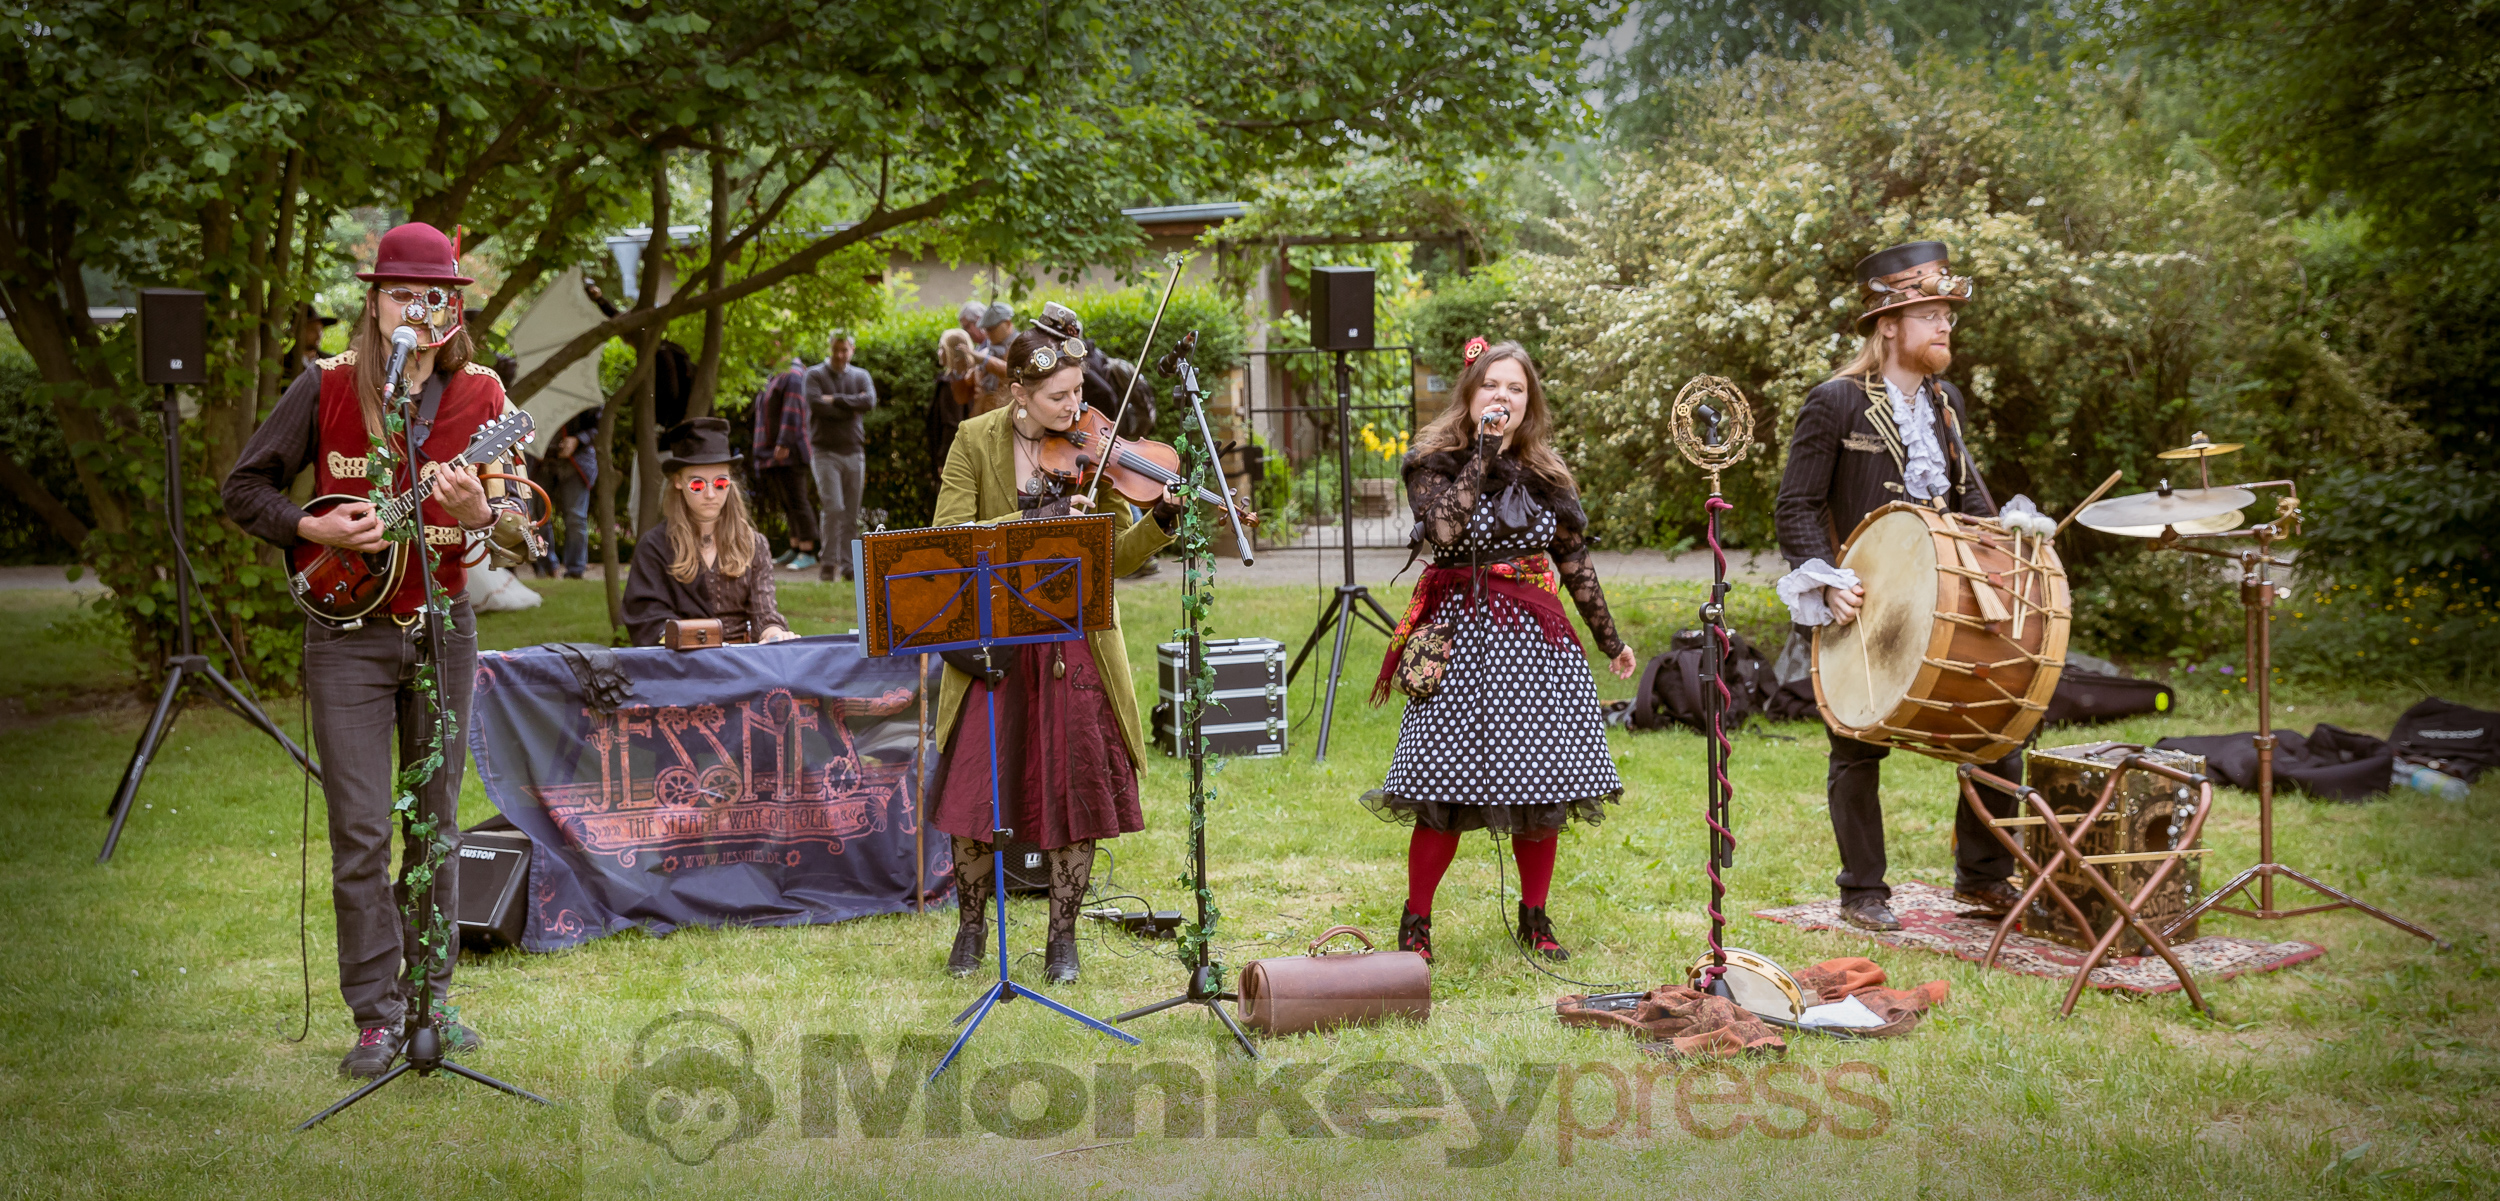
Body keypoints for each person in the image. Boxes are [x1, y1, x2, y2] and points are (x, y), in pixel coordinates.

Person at [221, 221, 531, 1078]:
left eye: (434, 296)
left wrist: (480, 517)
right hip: (345, 637)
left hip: (443, 631)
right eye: (400, 293)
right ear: (373, 304)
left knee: (434, 826)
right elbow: (242, 488)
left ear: (454, 308)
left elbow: (517, 537)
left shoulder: (483, 396)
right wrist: (308, 523)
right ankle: (374, 1015)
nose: (417, 309)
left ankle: (432, 1002)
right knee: (361, 829)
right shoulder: (322, 387)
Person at [1771, 240, 2021, 932]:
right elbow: (1794, 505)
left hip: (1944, 601)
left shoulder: (1947, 404)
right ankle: (1863, 892)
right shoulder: (1836, 403)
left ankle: (1983, 876)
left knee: (1997, 723)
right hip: (1861, 599)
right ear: (1889, 325)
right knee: (1857, 744)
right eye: (1931, 313)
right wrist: (1826, 582)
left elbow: (1968, 501)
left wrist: (2009, 534)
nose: (1946, 326)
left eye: (1948, 314)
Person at [1363, 338, 1636, 964]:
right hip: (1459, 637)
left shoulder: (1547, 475)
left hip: (1536, 642)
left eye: (1516, 389)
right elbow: (1445, 531)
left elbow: (1574, 560)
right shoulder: (1432, 461)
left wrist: (1610, 640)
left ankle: (1535, 918)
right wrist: (1482, 453)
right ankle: (1416, 923)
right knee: (1442, 788)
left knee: (1542, 791)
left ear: (1528, 402)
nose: (1503, 397)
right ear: (1470, 393)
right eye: (1492, 386)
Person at [929, 329, 1183, 984]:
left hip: (1075, 638)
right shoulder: (975, 440)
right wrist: (1035, 524)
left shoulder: (1091, 452)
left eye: (1078, 393)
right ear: (1018, 392)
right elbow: (949, 537)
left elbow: (1116, 559)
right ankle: (972, 924)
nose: (1075, 410)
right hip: (996, 638)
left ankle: (1061, 937)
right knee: (975, 787)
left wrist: (1159, 524)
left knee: (1077, 785)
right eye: (1057, 397)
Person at [622, 418, 797, 647]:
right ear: (678, 482)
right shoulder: (655, 546)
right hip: (683, 664)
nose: (711, 494)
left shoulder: (754, 543)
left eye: (720, 483)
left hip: (743, 661)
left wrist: (774, 633)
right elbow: (648, 620)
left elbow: (765, 614)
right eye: (697, 484)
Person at [803, 329, 876, 582]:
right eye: (836, 349)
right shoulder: (814, 375)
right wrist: (850, 406)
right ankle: (828, 563)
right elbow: (816, 406)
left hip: (854, 452)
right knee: (833, 507)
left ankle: (849, 567)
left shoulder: (861, 375)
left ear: (852, 350)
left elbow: (869, 403)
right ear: (830, 348)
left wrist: (835, 399)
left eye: (844, 350)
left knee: (850, 513)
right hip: (825, 452)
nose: (840, 355)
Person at [750, 357, 820, 571]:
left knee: (798, 500)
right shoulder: (775, 375)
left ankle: (808, 551)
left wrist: (783, 442)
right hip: (772, 452)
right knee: (787, 502)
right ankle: (795, 545)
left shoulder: (794, 375)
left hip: (790, 451)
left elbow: (793, 411)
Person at [534, 408, 599, 579]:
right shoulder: (535, 388)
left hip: (577, 461)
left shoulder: (584, 388)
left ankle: (575, 571)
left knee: (576, 518)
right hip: (541, 461)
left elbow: (599, 425)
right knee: (538, 519)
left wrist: (578, 439)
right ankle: (547, 567)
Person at [931, 329, 978, 479]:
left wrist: (943, 460)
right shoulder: (972, 376)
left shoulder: (950, 384)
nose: (939, 353)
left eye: (941, 348)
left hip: (954, 457)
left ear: (951, 352)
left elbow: (951, 424)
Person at [968, 301, 1017, 416]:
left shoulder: (1019, 344)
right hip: (987, 409)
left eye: (991, 329)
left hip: (1008, 410)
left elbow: (1012, 372)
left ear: (1008, 323)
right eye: (986, 330)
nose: (988, 334)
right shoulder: (989, 346)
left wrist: (985, 360)